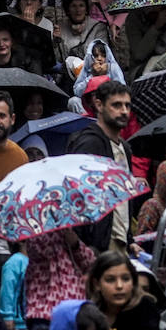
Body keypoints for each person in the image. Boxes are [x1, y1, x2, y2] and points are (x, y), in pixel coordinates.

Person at [67, 79, 134, 253]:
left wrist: (130, 239)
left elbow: (124, 199)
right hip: (97, 247)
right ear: (99, 104)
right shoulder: (89, 144)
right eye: (117, 105)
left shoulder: (124, 148)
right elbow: (77, 197)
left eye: (127, 105)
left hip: (120, 242)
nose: (124, 111)